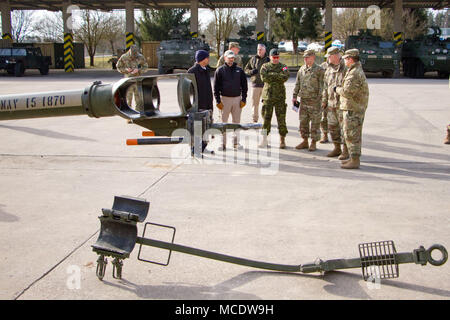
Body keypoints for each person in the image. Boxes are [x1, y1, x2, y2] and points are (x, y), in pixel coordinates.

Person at [334, 49, 369, 169]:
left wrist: (337, 89)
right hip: (352, 107)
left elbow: (347, 92)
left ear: (350, 59)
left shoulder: (354, 73)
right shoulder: (354, 70)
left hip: (353, 109)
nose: (344, 61)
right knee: (350, 134)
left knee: (352, 134)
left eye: (345, 59)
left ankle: (355, 160)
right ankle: (352, 157)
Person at [213, 50, 248, 150]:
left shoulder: (239, 71)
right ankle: (222, 144)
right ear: (225, 58)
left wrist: (244, 99)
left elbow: (244, 86)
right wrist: (218, 101)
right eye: (229, 58)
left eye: (232, 58)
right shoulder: (219, 71)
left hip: (237, 99)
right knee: (223, 122)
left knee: (236, 122)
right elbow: (215, 88)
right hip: (225, 99)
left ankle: (236, 143)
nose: (231, 59)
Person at [292, 49, 325, 152]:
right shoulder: (302, 69)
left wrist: (322, 99)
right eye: (304, 57)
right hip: (304, 100)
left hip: (315, 101)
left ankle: (313, 143)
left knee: (315, 123)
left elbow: (323, 86)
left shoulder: (319, 70)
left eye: (307, 57)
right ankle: (305, 141)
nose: (305, 59)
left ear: (313, 57)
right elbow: (297, 83)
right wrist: (294, 96)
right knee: (303, 122)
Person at [258, 48, 290, 149]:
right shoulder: (265, 66)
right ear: (270, 57)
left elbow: (285, 76)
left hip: (280, 97)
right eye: (274, 57)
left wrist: (271, 75)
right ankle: (264, 139)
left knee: (281, 119)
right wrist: (277, 76)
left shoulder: (283, 66)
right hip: (268, 97)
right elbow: (264, 77)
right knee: (265, 120)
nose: (276, 59)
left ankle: (282, 140)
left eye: (277, 57)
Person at [322, 46, 347, 158]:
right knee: (333, 127)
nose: (328, 59)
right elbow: (325, 86)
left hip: (343, 105)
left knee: (344, 129)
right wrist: (324, 101)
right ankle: (337, 148)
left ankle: (345, 150)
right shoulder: (329, 69)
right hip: (331, 104)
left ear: (335, 56)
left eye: (329, 57)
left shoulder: (346, 68)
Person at [188, 50, 214, 153]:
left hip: (207, 103)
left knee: (206, 128)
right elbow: (189, 91)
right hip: (198, 105)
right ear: (202, 59)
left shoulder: (205, 70)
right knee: (197, 129)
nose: (208, 59)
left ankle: (203, 147)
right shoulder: (192, 72)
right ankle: (195, 149)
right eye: (207, 57)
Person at [116, 45, 149, 123]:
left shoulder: (140, 57)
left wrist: (139, 70)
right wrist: (126, 70)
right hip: (128, 81)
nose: (134, 57)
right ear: (130, 52)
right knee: (128, 99)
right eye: (133, 55)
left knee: (139, 99)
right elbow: (118, 67)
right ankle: (128, 117)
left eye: (135, 55)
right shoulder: (124, 57)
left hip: (137, 81)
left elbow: (146, 67)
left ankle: (137, 116)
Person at [244, 43, 270, 123]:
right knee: (255, 104)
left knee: (266, 104)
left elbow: (282, 67)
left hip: (266, 86)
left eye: (261, 49)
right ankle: (254, 120)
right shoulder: (253, 59)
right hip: (255, 85)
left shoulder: (269, 59)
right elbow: (246, 69)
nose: (259, 51)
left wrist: (284, 69)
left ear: (264, 50)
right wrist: (251, 71)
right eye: (258, 49)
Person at [319, 59, 329, 143]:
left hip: (336, 95)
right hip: (324, 95)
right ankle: (324, 135)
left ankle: (340, 139)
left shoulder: (341, 66)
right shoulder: (322, 66)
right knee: (323, 117)